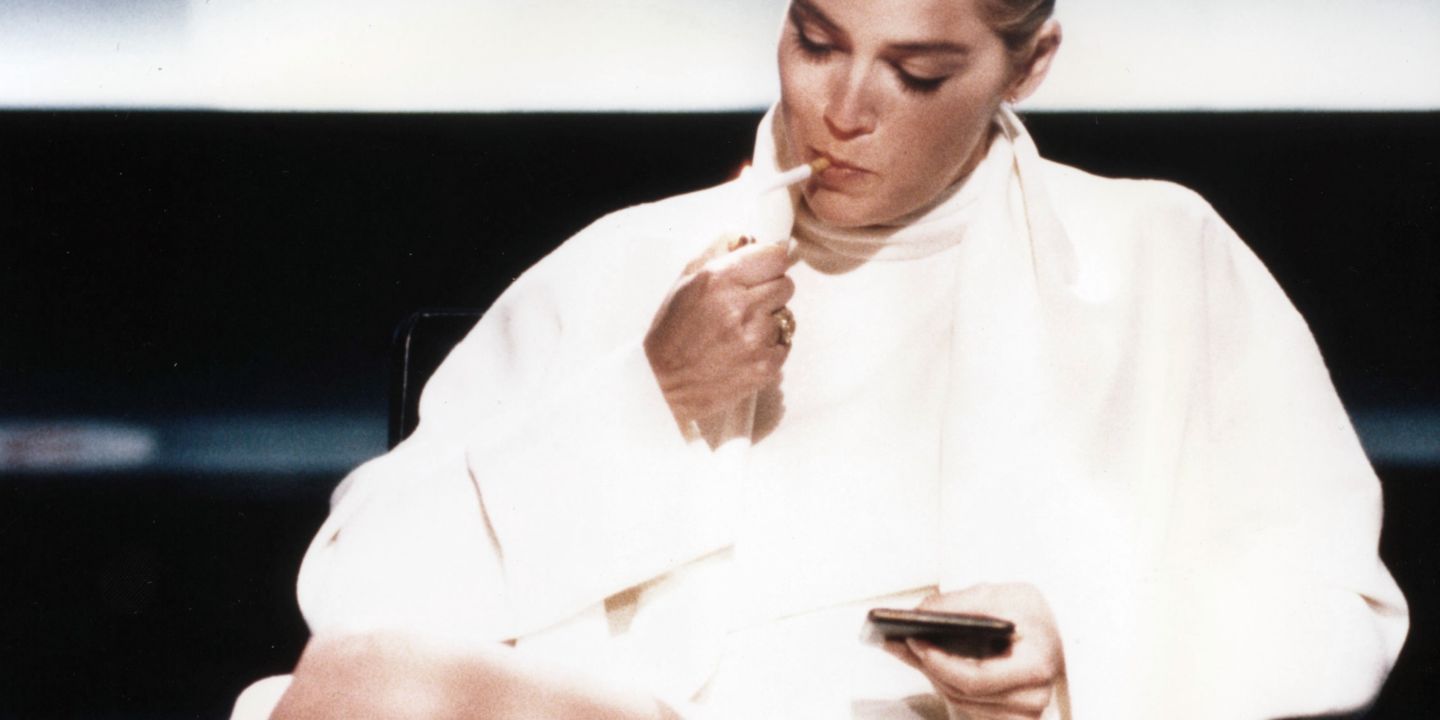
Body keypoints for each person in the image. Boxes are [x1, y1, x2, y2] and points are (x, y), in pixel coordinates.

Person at [233, 0, 1408, 717]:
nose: (844, 109)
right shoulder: (626, 265)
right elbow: (359, 608)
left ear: (1030, 64)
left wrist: (1078, 653)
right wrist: (651, 400)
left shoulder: (1158, 255)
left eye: (918, 72)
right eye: (815, 39)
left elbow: (1337, 607)